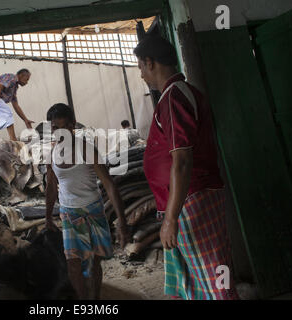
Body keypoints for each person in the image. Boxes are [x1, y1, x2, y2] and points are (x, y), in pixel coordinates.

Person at [134, 35, 239, 300]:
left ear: (150, 63)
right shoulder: (177, 95)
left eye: (140, 68)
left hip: (191, 201)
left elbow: (182, 161)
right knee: (193, 281)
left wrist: (170, 219)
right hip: (184, 201)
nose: (142, 75)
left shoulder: (174, 97)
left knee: (214, 279)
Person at [44, 103, 131, 300]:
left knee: (93, 262)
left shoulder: (87, 149)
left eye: (63, 127)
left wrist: (122, 222)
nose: (58, 133)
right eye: (54, 128)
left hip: (93, 210)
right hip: (68, 212)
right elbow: (51, 187)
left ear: (73, 125)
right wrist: (48, 216)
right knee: (73, 262)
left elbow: (109, 184)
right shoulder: (52, 153)